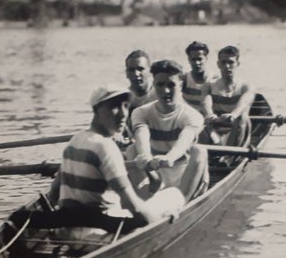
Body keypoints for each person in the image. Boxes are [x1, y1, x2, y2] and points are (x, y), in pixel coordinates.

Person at [45, 83, 184, 228]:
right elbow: (134, 208)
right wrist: (160, 220)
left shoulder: (74, 140)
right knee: (173, 195)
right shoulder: (105, 147)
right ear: (96, 110)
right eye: (114, 106)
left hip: (66, 229)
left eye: (125, 106)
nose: (123, 114)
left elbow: (54, 196)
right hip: (99, 232)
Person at [131, 60, 209, 202]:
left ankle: (180, 203)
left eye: (171, 85)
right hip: (155, 171)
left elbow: (185, 139)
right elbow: (141, 134)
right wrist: (145, 156)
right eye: (160, 85)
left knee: (199, 151)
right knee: (132, 150)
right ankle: (143, 204)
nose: (165, 91)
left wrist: (170, 158)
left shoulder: (193, 116)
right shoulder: (140, 112)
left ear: (180, 85)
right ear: (153, 84)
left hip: (183, 173)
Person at [201, 45, 255, 147]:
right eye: (223, 62)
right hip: (215, 130)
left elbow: (244, 102)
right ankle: (218, 148)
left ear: (238, 64)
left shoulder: (246, 86)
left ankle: (228, 155)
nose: (227, 66)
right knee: (201, 118)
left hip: (238, 131)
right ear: (218, 64)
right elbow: (205, 103)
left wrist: (233, 115)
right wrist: (209, 114)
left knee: (243, 117)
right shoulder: (208, 85)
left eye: (231, 62)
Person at [181, 41, 214, 115]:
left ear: (206, 58)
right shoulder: (184, 79)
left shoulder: (213, 79)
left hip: (208, 117)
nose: (197, 63)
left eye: (199, 59)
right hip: (189, 116)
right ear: (189, 60)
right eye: (193, 59)